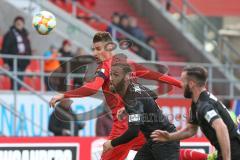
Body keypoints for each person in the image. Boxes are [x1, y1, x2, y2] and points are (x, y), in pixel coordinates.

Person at [49, 31, 182, 160]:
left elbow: (92, 88)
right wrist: (182, 84)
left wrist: (64, 95)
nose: (95, 53)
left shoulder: (105, 67)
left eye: (98, 49)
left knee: (164, 151)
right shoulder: (126, 63)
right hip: (140, 125)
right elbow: (155, 75)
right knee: (165, 151)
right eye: (93, 49)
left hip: (125, 127)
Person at [151, 66, 240, 160]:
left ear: (191, 84)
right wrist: (169, 137)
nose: (181, 84)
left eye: (183, 81)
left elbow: (221, 127)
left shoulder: (204, 105)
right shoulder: (197, 102)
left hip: (235, 154)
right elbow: (190, 130)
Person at [103, 62, 180, 160]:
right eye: (110, 74)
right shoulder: (134, 86)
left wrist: (112, 143)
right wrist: (126, 109)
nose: (111, 78)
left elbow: (133, 132)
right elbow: (153, 95)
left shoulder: (131, 99)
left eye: (116, 75)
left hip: (165, 139)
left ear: (127, 77)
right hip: (154, 139)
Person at [2, 16, 32, 89]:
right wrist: (5, 62)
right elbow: (5, 48)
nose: (19, 24)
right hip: (13, 61)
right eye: (17, 23)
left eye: (21, 23)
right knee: (16, 82)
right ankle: (13, 98)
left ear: (23, 24)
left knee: (19, 83)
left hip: (23, 62)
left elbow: (28, 47)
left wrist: (28, 59)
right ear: (14, 24)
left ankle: (14, 97)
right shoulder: (10, 34)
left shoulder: (25, 34)